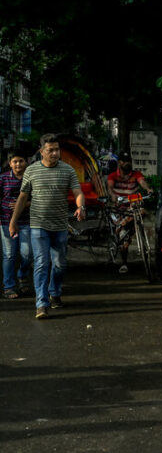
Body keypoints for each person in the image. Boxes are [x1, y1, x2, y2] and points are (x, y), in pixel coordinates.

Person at [9, 134, 85, 319]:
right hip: (38, 225)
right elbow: (23, 197)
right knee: (42, 263)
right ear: (41, 151)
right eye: (50, 150)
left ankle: (55, 292)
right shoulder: (32, 170)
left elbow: (77, 191)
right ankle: (41, 304)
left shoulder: (67, 170)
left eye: (57, 149)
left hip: (60, 225)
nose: (55, 153)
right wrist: (13, 222)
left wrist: (80, 206)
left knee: (59, 264)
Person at [107, 151, 154, 274]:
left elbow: (142, 182)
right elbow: (110, 188)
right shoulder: (113, 176)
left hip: (133, 208)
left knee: (141, 212)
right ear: (120, 162)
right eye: (124, 161)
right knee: (124, 239)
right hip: (120, 208)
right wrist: (113, 196)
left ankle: (122, 226)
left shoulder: (136, 174)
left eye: (129, 161)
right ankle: (124, 263)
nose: (127, 163)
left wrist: (148, 189)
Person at [0, 149, 32, 298]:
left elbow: (39, 198)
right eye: (15, 161)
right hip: (6, 222)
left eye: (21, 161)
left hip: (27, 221)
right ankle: (9, 286)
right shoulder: (3, 178)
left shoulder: (31, 178)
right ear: (10, 163)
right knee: (9, 255)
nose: (18, 164)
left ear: (26, 162)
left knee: (27, 253)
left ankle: (22, 276)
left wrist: (25, 204)